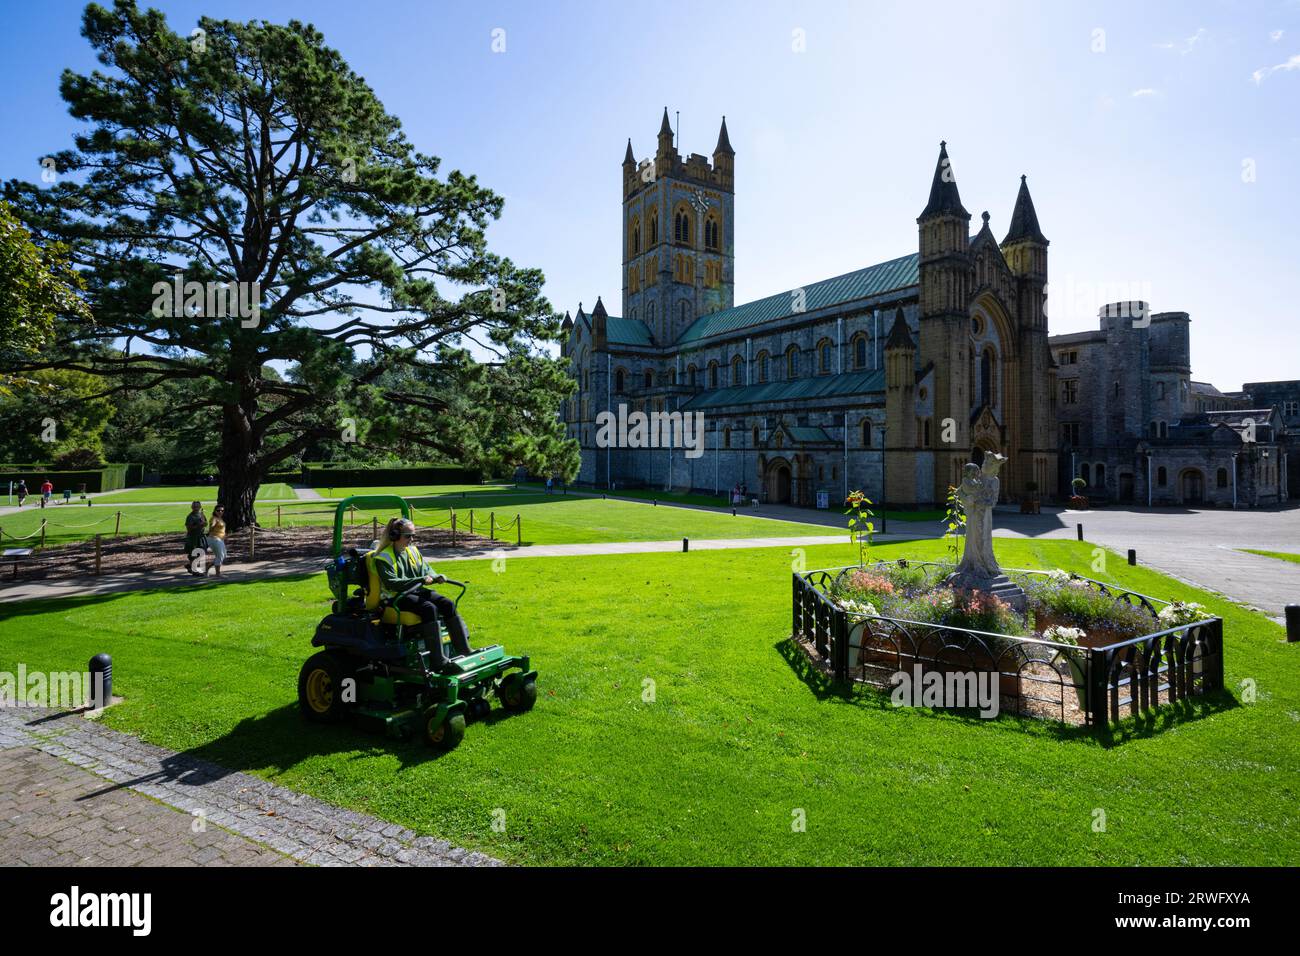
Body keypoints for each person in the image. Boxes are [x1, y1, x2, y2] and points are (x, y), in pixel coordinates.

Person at [372, 517, 472, 673]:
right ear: (394, 535)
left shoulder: (412, 551)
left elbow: (426, 569)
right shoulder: (383, 557)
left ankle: (465, 651)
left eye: (413, 536)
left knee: (448, 604)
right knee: (428, 608)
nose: (411, 540)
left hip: (415, 591)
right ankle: (438, 661)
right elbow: (392, 583)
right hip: (395, 597)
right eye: (408, 536)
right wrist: (421, 579)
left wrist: (436, 576)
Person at [183, 501, 207, 576]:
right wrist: (198, 525)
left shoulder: (201, 514)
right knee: (194, 554)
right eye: (194, 506)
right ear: (191, 507)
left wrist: (204, 524)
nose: (196, 508)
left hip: (201, 537)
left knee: (202, 553)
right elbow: (189, 529)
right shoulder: (190, 517)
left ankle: (193, 567)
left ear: (200, 507)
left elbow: (205, 523)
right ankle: (195, 571)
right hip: (193, 538)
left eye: (197, 506)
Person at [206, 505, 227, 577]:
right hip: (214, 539)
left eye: (222, 510)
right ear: (215, 511)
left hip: (220, 539)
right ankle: (218, 573)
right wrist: (212, 526)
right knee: (220, 556)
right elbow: (212, 525)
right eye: (218, 510)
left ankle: (207, 567)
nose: (220, 512)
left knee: (224, 555)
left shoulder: (220, 518)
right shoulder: (214, 518)